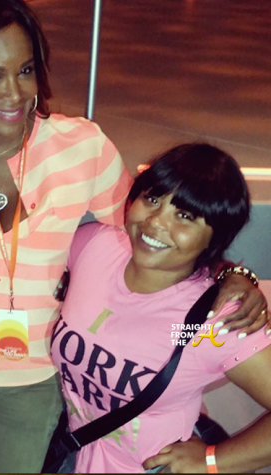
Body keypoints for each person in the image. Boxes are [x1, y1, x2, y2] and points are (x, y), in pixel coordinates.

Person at [0, 0, 268, 472]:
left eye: (25, 71)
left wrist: (229, 272)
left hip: (32, 380)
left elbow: (150, 233)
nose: (14, 93)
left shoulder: (81, 148)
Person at [50, 143, 271, 473]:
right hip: (70, 455)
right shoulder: (93, 246)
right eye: (153, 199)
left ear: (215, 237)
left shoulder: (216, 320)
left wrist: (213, 461)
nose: (155, 222)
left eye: (185, 216)